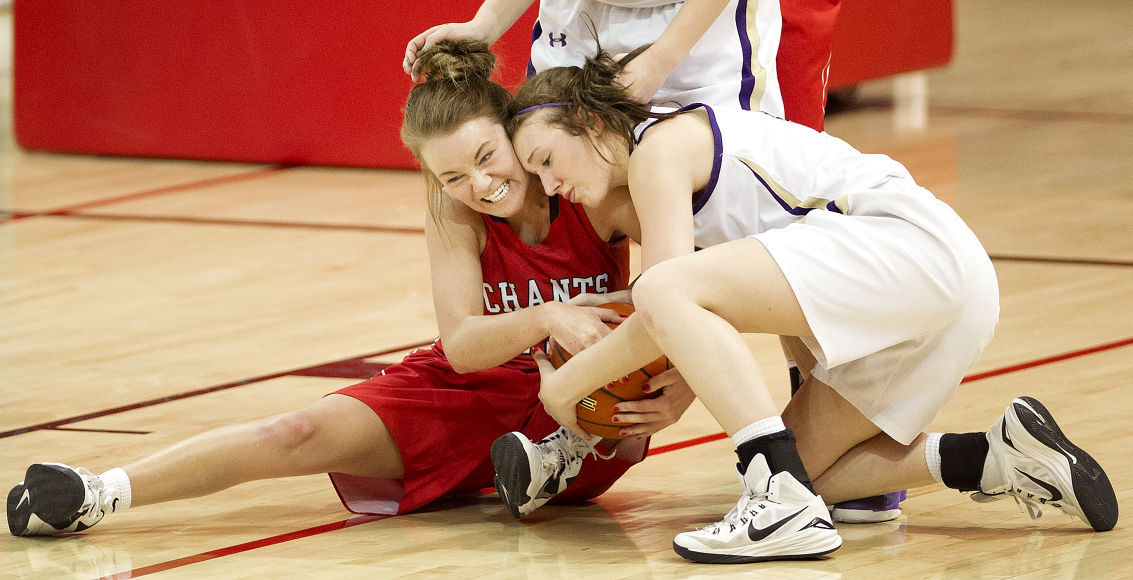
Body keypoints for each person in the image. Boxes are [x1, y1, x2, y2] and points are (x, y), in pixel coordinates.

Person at [5, 40, 694, 538]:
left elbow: (683, 287)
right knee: (295, 429)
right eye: (452, 177)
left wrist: (678, 385)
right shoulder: (453, 213)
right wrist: (548, 313)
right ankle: (101, 492)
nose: (479, 187)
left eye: (487, 159)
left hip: (582, 395)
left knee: (602, 387)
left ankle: (557, 456)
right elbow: (460, 347)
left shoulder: (586, 187)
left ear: (517, 136)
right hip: (477, 384)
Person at [502, 46, 1119, 563]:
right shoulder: (687, 165)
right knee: (811, 476)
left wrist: (565, 390)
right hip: (951, 295)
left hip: (905, 244)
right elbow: (682, 319)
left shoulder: (658, 148)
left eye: (546, 162)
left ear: (587, 121)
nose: (551, 187)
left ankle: (774, 505)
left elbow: (664, 297)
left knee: (661, 290)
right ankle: (997, 456)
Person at [402, 0, 840, 131]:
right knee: (561, 178)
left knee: (733, 207)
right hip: (577, 17)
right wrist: (486, 23)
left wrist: (660, 59)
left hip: (694, 22)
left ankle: (808, 354)